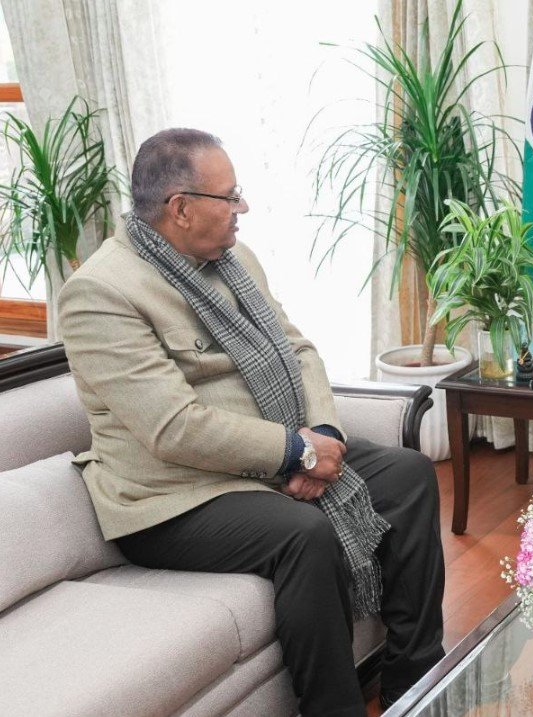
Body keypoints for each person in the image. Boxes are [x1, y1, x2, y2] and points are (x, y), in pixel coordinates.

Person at [58, 128, 445, 715]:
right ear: (180, 209)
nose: (243, 207)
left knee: (409, 475)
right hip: (174, 496)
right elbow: (173, 427)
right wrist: (297, 453)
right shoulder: (100, 293)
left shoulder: (236, 261)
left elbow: (299, 350)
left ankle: (416, 685)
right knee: (303, 535)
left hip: (269, 456)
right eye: (229, 196)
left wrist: (325, 436)